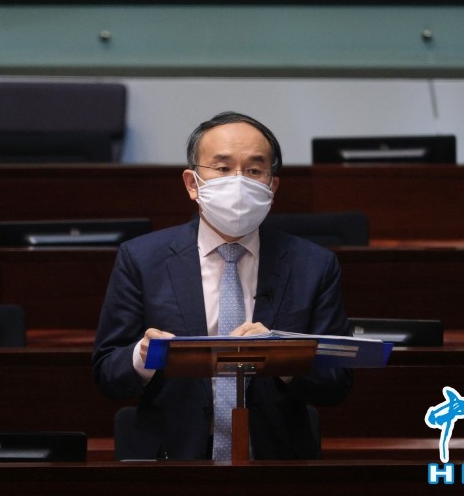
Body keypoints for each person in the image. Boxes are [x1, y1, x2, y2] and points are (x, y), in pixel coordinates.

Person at [92, 111, 352, 460]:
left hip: (277, 463)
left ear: (272, 186)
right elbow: (107, 373)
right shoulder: (142, 259)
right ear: (192, 184)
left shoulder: (313, 265)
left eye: (254, 170)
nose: (238, 182)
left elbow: (337, 383)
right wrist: (142, 355)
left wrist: (285, 359)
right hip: (173, 463)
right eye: (223, 168)